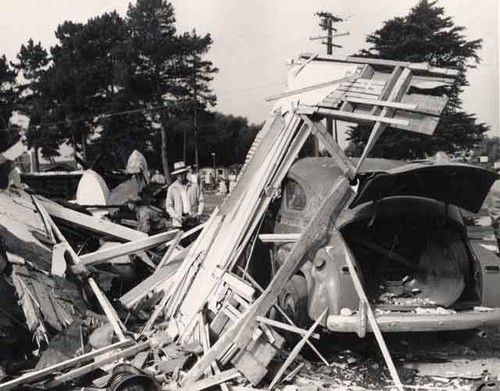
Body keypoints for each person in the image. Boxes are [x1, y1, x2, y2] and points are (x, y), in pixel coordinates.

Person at [165, 161, 204, 229]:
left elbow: (201, 201)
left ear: (186, 173)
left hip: (193, 220)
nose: (180, 176)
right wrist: (176, 216)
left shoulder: (194, 186)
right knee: (181, 239)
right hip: (179, 222)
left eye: (182, 173)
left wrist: (199, 214)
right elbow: (169, 206)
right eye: (178, 174)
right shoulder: (172, 188)